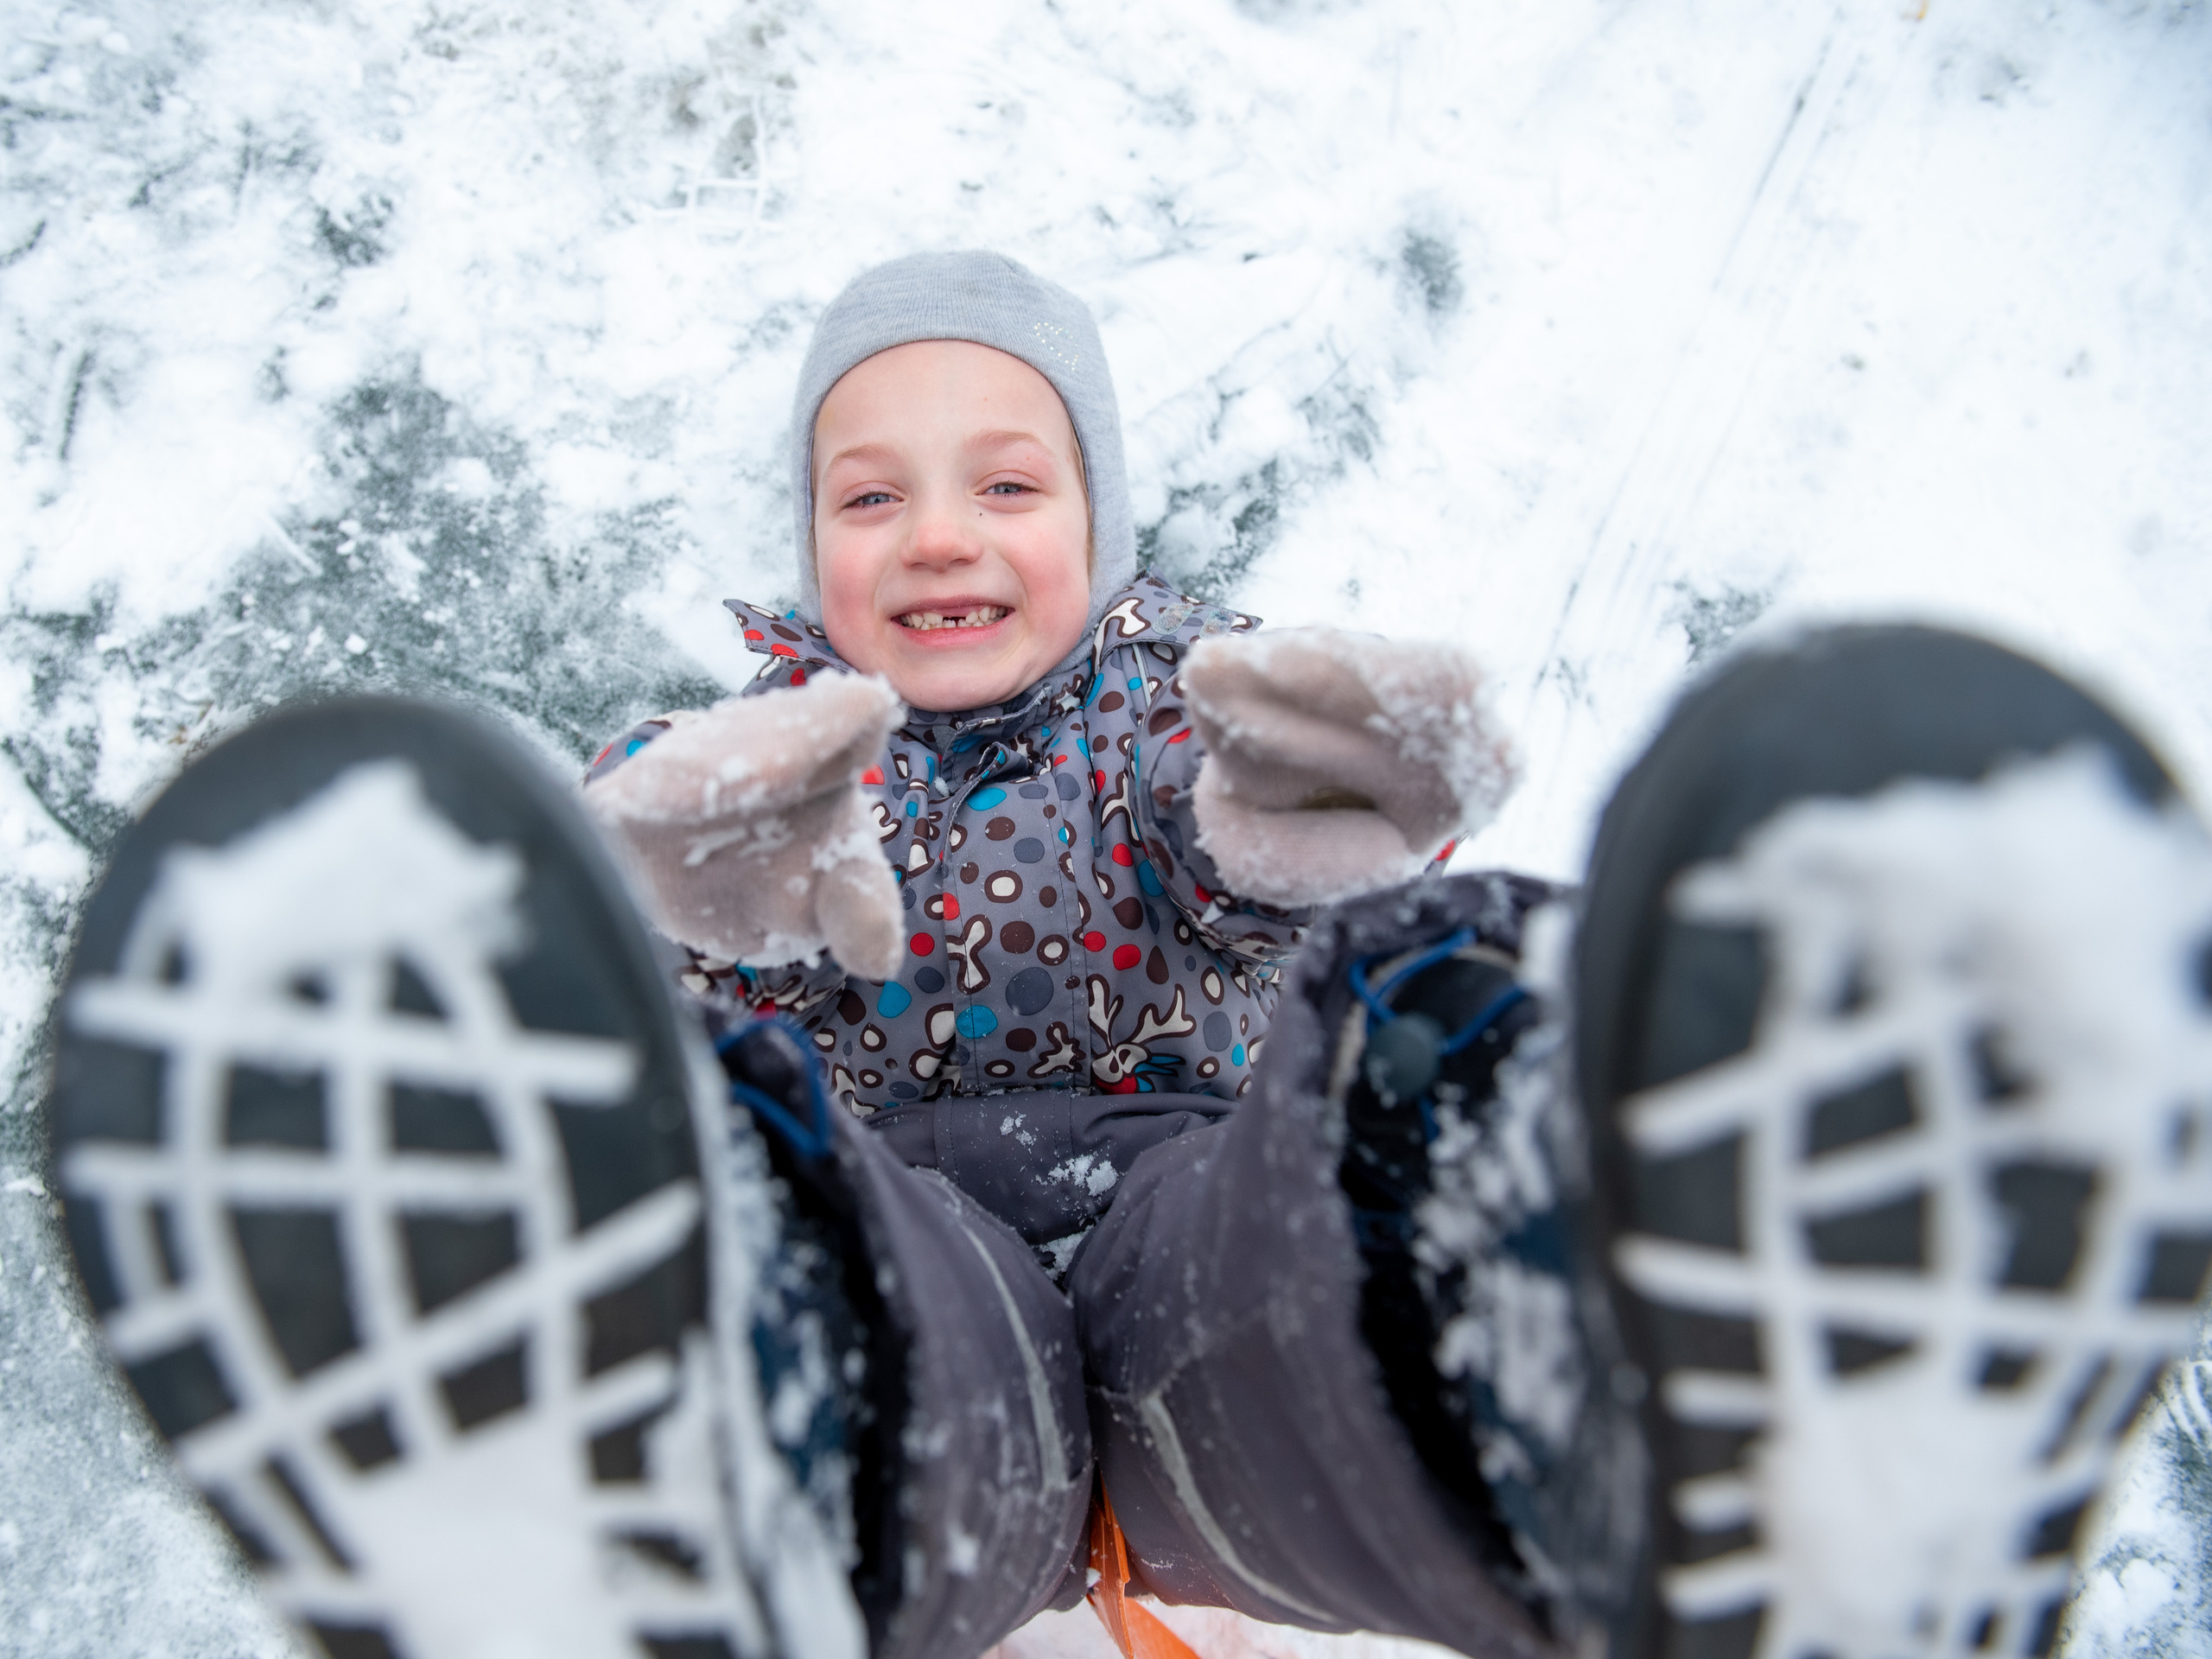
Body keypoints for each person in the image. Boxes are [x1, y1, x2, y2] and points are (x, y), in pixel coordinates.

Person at [41, 254, 2212, 1659]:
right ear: (805, 548)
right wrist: (672, 916)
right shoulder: (755, 757)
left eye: (1005, 479)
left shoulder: (1189, 705)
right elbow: (723, 967)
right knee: (838, 1308)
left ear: (1101, 514)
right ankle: (670, 1433)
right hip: (920, 1246)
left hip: (1182, 1199)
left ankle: (1602, 1319)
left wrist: (1292, 846)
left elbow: (1245, 877)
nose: (939, 536)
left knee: (1343, 1209)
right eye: (867, 498)